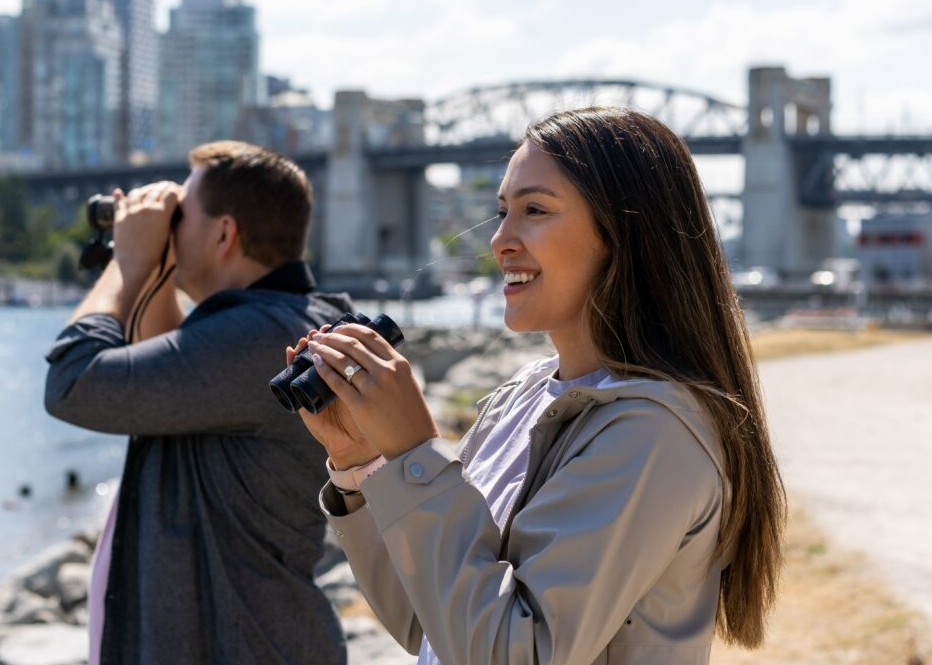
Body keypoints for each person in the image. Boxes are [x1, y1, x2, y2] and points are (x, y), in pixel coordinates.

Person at [290, 107, 787, 665]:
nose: (501, 240)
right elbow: (429, 620)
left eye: (534, 210)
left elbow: (512, 653)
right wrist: (360, 465)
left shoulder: (652, 433)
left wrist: (415, 453)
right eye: (503, 211)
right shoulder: (522, 397)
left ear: (623, 235)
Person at [44, 141, 350, 665]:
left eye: (180, 214)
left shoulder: (256, 338)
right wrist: (157, 267)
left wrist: (124, 265)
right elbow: (160, 380)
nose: (168, 224)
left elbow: (73, 384)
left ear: (224, 234)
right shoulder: (277, 322)